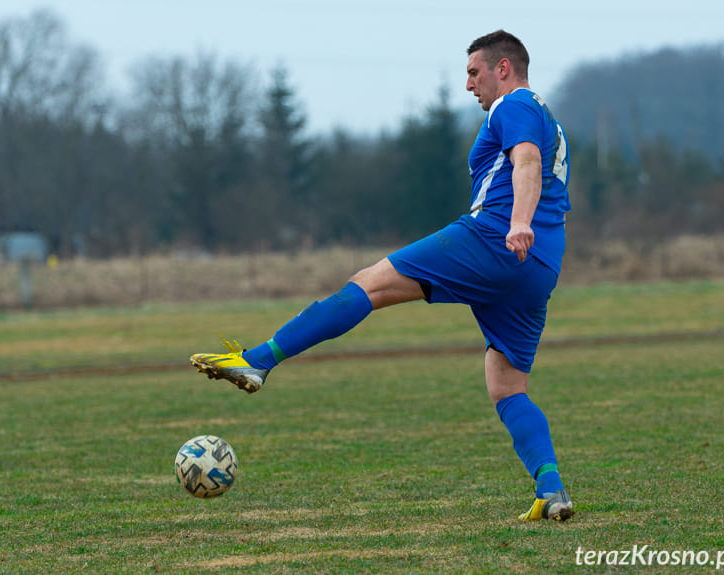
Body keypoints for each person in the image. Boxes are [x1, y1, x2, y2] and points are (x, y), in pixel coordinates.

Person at [190, 30, 573, 521]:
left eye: (474, 72)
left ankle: (259, 360)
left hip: (495, 240)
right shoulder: (551, 120)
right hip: (539, 268)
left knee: (367, 284)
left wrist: (517, 221)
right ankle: (552, 488)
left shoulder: (513, 104)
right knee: (506, 387)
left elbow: (526, 161)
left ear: (503, 68)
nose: (468, 85)